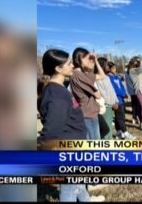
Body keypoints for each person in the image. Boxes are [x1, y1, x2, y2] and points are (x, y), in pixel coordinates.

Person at [38, 49, 104, 202]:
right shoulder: (56, 95)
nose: (72, 65)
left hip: (75, 144)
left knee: (78, 181)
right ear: (58, 68)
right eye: (68, 63)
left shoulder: (58, 89)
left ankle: (85, 199)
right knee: (68, 187)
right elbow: (52, 129)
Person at [70, 47, 105, 140]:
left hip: (89, 113)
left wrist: (95, 61)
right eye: (87, 58)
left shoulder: (82, 74)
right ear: (79, 59)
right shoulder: (79, 75)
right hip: (87, 114)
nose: (90, 60)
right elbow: (98, 95)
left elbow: (102, 76)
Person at [107, 62, 136, 140]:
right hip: (116, 100)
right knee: (120, 117)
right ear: (108, 69)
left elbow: (121, 86)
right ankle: (125, 132)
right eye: (113, 68)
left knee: (118, 117)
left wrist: (125, 93)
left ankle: (118, 132)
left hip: (121, 99)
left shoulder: (116, 77)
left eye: (115, 68)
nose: (115, 69)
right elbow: (113, 89)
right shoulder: (108, 78)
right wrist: (122, 94)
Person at [95, 57, 118, 140]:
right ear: (101, 65)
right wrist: (111, 103)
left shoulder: (107, 77)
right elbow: (102, 94)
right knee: (106, 129)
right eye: (107, 64)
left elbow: (112, 91)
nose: (109, 66)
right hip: (106, 106)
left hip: (111, 105)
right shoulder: (98, 78)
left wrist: (116, 101)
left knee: (110, 127)